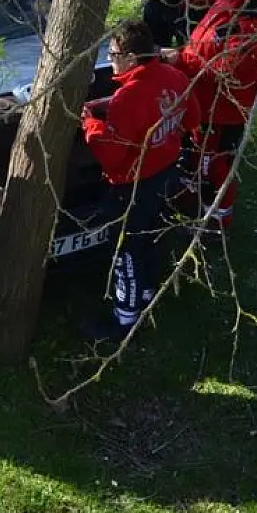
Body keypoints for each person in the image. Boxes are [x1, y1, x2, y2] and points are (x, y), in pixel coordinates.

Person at [79, 19, 199, 343]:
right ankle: (145, 294)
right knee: (151, 240)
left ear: (131, 58)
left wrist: (91, 125)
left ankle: (124, 319)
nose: (110, 59)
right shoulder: (174, 77)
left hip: (132, 185)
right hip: (165, 173)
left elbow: (112, 154)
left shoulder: (128, 98)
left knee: (126, 251)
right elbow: (192, 118)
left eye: (114, 52)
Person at [169, 0, 257, 230]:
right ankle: (192, 198)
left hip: (223, 107)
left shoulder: (253, 21)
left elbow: (223, 69)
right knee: (197, 154)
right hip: (204, 99)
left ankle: (215, 220)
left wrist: (180, 59)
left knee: (216, 163)